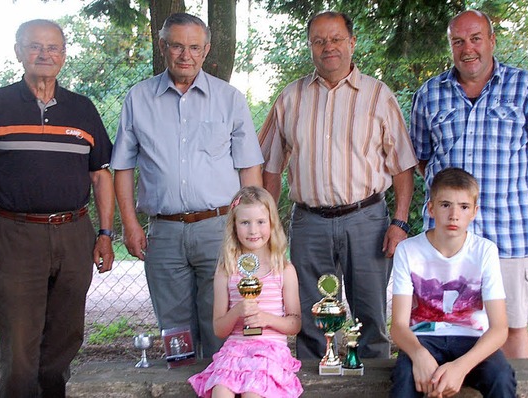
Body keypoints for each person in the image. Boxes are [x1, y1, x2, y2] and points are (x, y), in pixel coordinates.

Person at [0, 19, 115, 397]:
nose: (45, 54)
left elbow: (101, 176)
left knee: (66, 335)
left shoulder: (82, 108)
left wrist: (106, 234)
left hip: (74, 232)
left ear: (63, 55)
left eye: (53, 47)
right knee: (20, 342)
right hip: (15, 235)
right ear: (18, 52)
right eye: (35, 46)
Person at [258, 11, 418, 360]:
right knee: (312, 315)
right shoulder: (290, 98)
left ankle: (373, 380)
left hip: (367, 221)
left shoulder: (378, 95)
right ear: (310, 46)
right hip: (309, 222)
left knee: (371, 315)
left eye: (335, 39)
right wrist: (267, 225)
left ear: (351, 43)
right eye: (319, 41)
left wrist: (400, 222)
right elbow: (269, 165)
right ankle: (313, 384)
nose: (327, 47)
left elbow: (403, 164)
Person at [409, 9, 528, 359]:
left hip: (508, 233)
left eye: (476, 38)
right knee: (444, 324)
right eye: (458, 41)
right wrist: (450, 203)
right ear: (450, 46)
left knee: (511, 327)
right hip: (446, 238)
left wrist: (523, 190)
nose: (468, 48)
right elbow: (422, 159)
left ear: (492, 41)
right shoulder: (430, 94)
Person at [111, 12, 263, 359]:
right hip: (163, 234)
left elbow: (249, 169)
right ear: (162, 46)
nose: (186, 55)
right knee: (175, 331)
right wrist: (130, 225)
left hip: (219, 228)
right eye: (177, 46)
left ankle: (222, 387)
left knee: (222, 326)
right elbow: (122, 167)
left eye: (194, 47)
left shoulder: (229, 98)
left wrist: (253, 229)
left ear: (206, 49)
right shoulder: (138, 99)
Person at [390, 167, 516, 397]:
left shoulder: (484, 251)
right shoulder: (408, 251)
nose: (454, 215)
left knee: (501, 377)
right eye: (445, 204)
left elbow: (499, 328)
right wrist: (418, 355)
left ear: (474, 211)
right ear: (430, 208)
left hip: (473, 340)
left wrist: (461, 367)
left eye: (464, 207)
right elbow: (398, 326)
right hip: (423, 339)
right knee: (405, 380)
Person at [188, 186, 303, 398]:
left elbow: (295, 324)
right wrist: (238, 311)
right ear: (233, 226)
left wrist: (265, 318)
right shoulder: (227, 270)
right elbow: (219, 329)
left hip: (270, 352)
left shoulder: (284, 269)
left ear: (272, 223)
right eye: (245, 223)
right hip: (235, 351)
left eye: (260, 222)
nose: (253, 230)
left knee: (253, 392)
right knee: (221, 392)